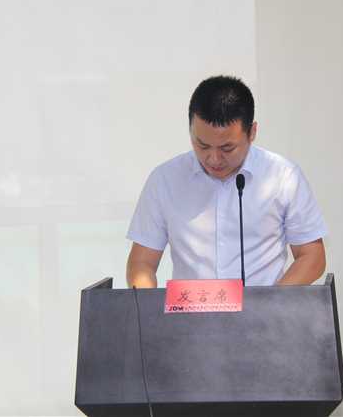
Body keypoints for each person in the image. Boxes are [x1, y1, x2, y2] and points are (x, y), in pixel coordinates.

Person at [126, 75, 327, 288]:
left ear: (252, 132)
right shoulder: (165, 180)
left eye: (227, 148)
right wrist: (145, 305)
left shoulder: (283, 176)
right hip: (189, 309)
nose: (213, 159)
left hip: (264, 307)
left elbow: (312, 257)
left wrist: (270, 302)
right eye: (202, 145)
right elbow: (142, 263)